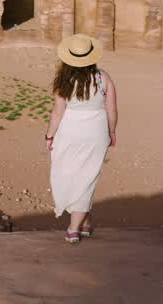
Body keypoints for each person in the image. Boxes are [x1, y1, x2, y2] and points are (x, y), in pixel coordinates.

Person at [46, 33, 117, 244]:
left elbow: (57, 113)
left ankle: (73, 229)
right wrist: (112, 132)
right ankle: (84, 223)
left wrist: (49, 135)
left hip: (69, 131)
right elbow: (111, 108)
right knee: (87, 176)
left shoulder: (64, 80)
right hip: (96, 132)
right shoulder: (103, 77)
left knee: (69, 174)